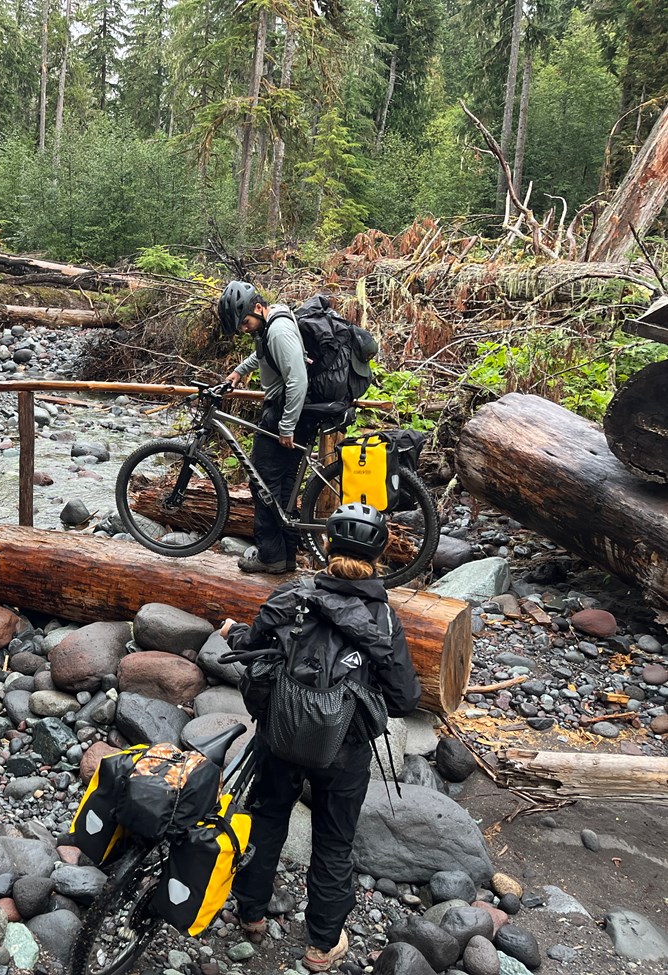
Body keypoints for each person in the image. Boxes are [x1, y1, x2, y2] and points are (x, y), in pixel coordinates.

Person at [219, 502, 422, 972]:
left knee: (266, 820)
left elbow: (251, 648)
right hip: (344, 750)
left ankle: (251, 914)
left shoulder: (294, 595)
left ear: (326, 546)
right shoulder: (383, 620)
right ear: (380, 557)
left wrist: (234, 636)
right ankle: (321, 946)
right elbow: (406, 698)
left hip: (279, 736)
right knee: (334, 840)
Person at [219, 280, 310, 575]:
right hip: (290, 411)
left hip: (284, 411)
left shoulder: (279, 331)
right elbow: (263, 354)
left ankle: (271, 556)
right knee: (281, 487)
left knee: (263, 484)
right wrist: (238, 372)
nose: (244, 329)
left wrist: (286, 426)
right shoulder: (271, 323)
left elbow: (298, 379)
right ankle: (285, 556)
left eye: (245, 322)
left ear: (258, 307)